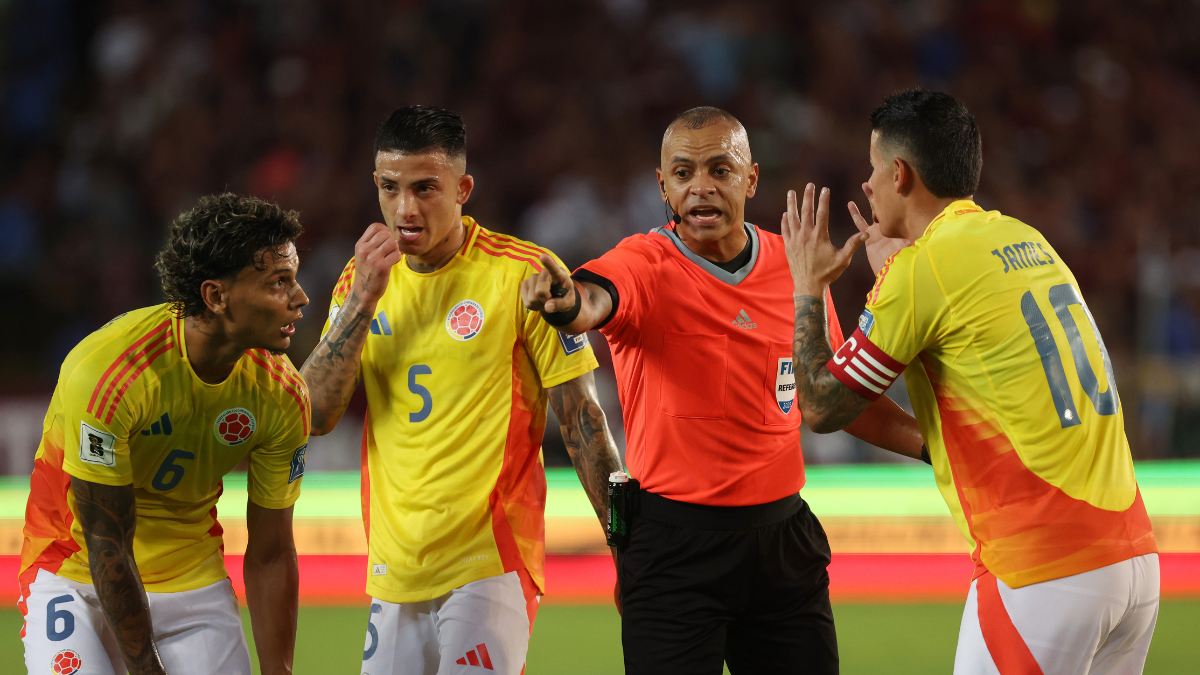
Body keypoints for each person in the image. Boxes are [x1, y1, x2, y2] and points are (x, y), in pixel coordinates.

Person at [521, 106, 925, 674]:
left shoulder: (795, 267)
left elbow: (839, 401)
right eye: (683, 173)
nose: (701, 187)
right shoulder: (642, 263)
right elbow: (591, 301)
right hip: (673, 552)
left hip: (783, 548)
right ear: (662, 186)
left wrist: (935, 445)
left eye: (719, 169)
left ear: (751, 179)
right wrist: (564, 303)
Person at [783, 89, 1158, 675]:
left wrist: (807, 288)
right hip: (1134, 564)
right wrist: (897, 282)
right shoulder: (1026, 239)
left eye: (873, 168)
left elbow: (821, 406)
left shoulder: (924, 270)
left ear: (900, 174)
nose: (867, 185)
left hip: (1041, 571)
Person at [300, 105, 622, 675]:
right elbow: (316, 413)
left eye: (425, 188)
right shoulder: (361, 279)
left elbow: (583, 420)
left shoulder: (523, 274)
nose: (406, 208)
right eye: (390, 188)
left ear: (463, 189)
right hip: (393, 570)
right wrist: (361, 301)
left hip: (489, 563)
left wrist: (628, 549)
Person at [19, 194, 312, 675]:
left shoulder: (282, 394)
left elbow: (272, 553)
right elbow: (107, 544)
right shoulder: (109, 374)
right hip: (74, 576)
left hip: (193, 585)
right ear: (216, 296)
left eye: (293, 278)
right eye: (279, 282)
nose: (300, 297)